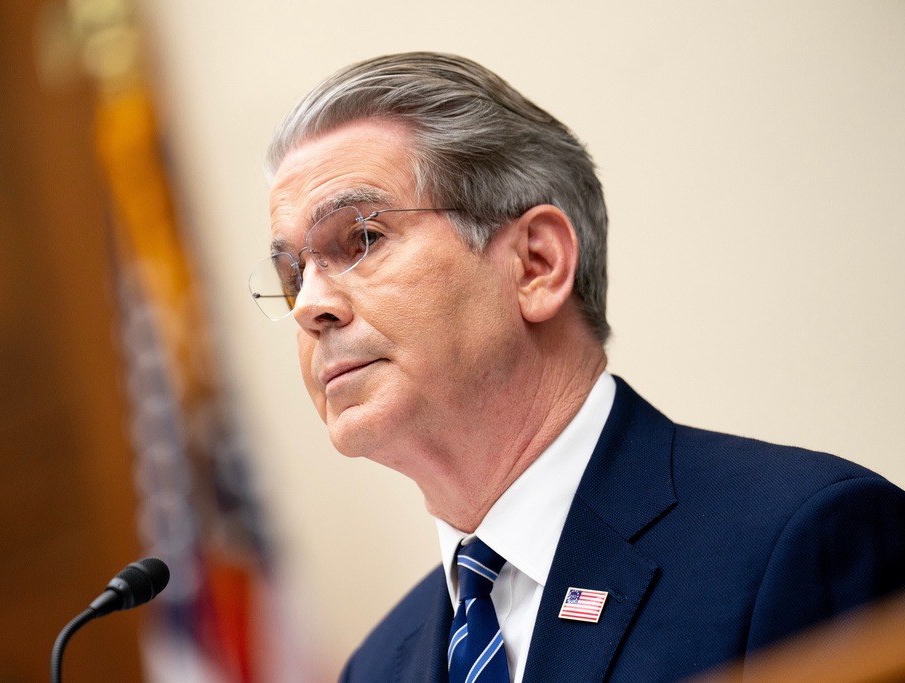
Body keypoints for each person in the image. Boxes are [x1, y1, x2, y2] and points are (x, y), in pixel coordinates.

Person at [248, 52, 905, 682]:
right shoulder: (375, 666)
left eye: (362, 237)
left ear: (536, 264)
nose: (310, 307)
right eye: (293, 276)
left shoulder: (802, 539)